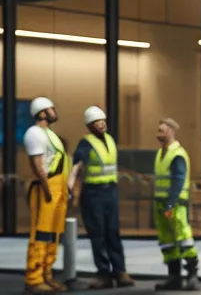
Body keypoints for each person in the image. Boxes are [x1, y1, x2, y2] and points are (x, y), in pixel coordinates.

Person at [66, 106, 135, 289]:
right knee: (98, 234)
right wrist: (70, 186)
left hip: (110, 192)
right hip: (93, 194)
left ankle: (120, 272)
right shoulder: (85, 143)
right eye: (98, 122)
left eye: (103, 120)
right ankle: (104, 274)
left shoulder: (110, 140)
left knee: (113, 232)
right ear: (90, 125)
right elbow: (77, 166)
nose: (102, 124)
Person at [23, 96, 71, 295]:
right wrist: (46, 188)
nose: (54, 111)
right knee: (41, 233)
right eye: (50, 108)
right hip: (47, 188)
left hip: (58, 188)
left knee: (53, 234)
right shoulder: (35, 133)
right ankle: (34, 279)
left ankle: (47, 275)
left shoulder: (49, 134)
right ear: (42, 113)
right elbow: (37, 164)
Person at [151, 118, 199, 291]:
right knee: (167, 241)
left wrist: (170, 204)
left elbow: (178, 181)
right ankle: (174, 276)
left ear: (171, 131)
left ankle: (192, 275)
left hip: (175, 204)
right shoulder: (161, 152)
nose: (158, 134)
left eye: (161, 130)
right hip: (162, 203)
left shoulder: (176, 154)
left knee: (183, 238)